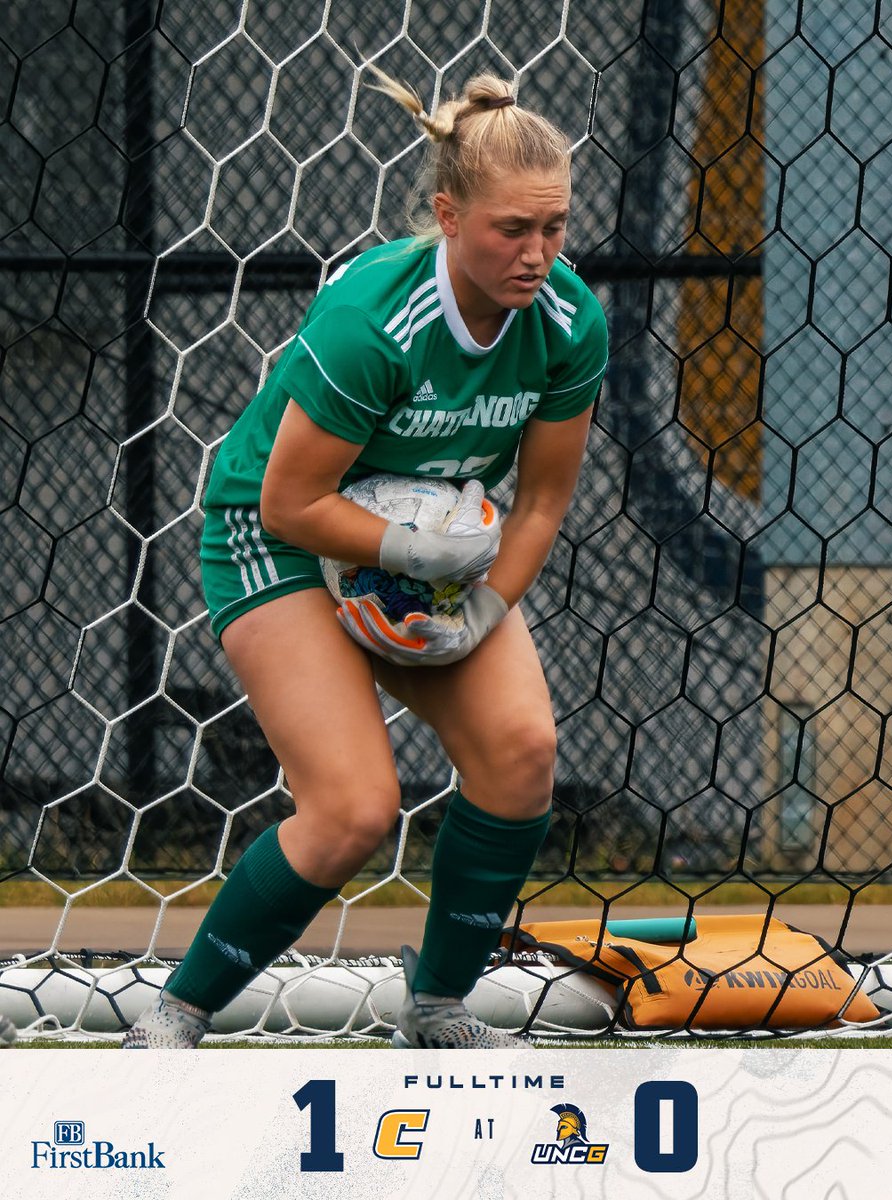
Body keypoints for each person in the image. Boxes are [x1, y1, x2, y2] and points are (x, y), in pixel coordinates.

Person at [122, 66, 608, 1049]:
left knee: (521, 758)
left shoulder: (567, 321)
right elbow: (289, 499)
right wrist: (407, 546)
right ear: (448, 213)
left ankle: (434, 1006)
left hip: (425, 562)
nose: (538, 253)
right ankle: (174, 1015)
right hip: (280, 538)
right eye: (512, 229)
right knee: (353, 806)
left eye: (554, 228)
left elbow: (546, 498)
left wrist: (481, 605)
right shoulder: (372, 321)